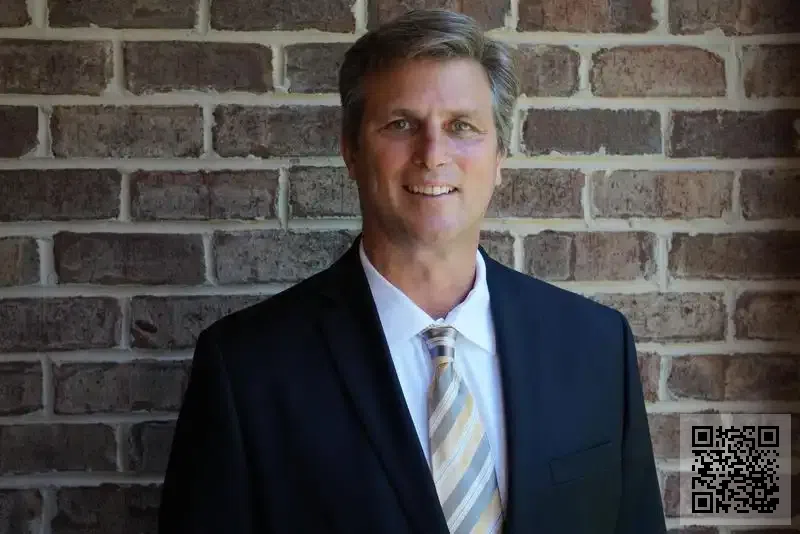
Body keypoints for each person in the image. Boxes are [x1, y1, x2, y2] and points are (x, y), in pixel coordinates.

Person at [158, 9, 666, 534]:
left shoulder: (595, 345)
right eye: (401, 125)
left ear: (499, 157)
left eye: (462, 126)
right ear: (351, 150)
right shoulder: (247, 370)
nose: (432, 154)